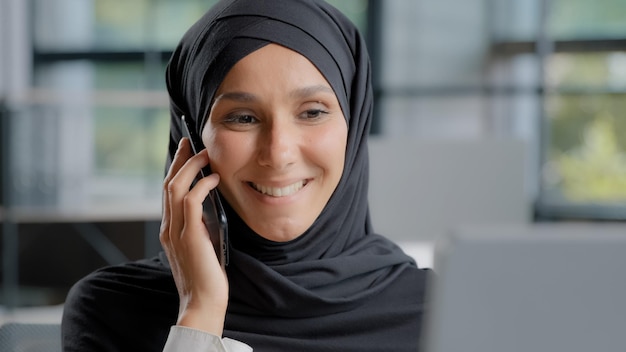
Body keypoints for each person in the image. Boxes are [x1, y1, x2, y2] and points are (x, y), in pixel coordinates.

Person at [61, 0, 432, 351]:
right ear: (189, 141)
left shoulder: (437, 311)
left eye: (313, 112)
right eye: (243, 117)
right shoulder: (112, 311)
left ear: (354, 125)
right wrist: (198, 316)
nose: (279, 154)